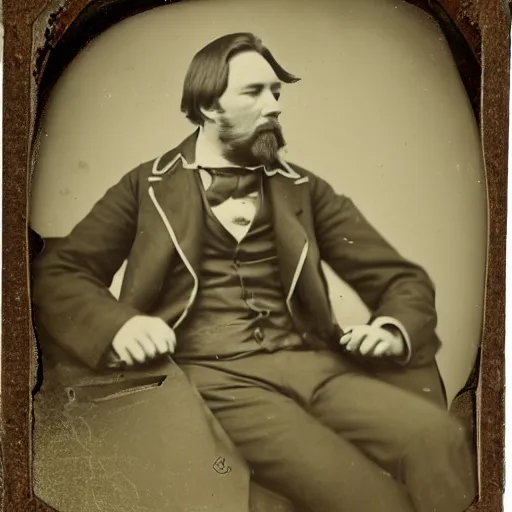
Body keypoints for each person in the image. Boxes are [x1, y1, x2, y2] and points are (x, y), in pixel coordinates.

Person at [32, 32, 476, 512]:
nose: (274, 106)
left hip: (311, 365)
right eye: (254, 93)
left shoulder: (300, 189)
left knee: (438, 439)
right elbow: (58, 273)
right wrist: (119, 326)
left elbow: (400, 279)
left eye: (276, 93)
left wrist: (390, 327)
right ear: (207, 107)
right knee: (369, 496)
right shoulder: (148, 187)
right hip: (216, 378)